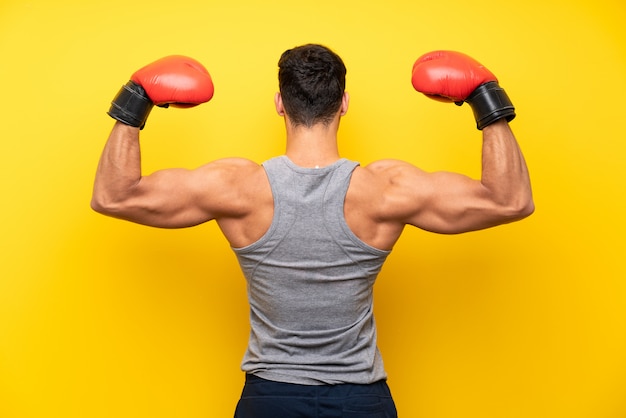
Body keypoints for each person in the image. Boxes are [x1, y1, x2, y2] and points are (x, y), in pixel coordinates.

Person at [91, 44, 534, 417]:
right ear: (343, 103)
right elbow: (510, 200)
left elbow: (113, 196)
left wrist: (135, 99)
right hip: (361, 399)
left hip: (271, 398)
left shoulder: (237, 187)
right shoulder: (385, 189)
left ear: (280, 103)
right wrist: (485, 96)